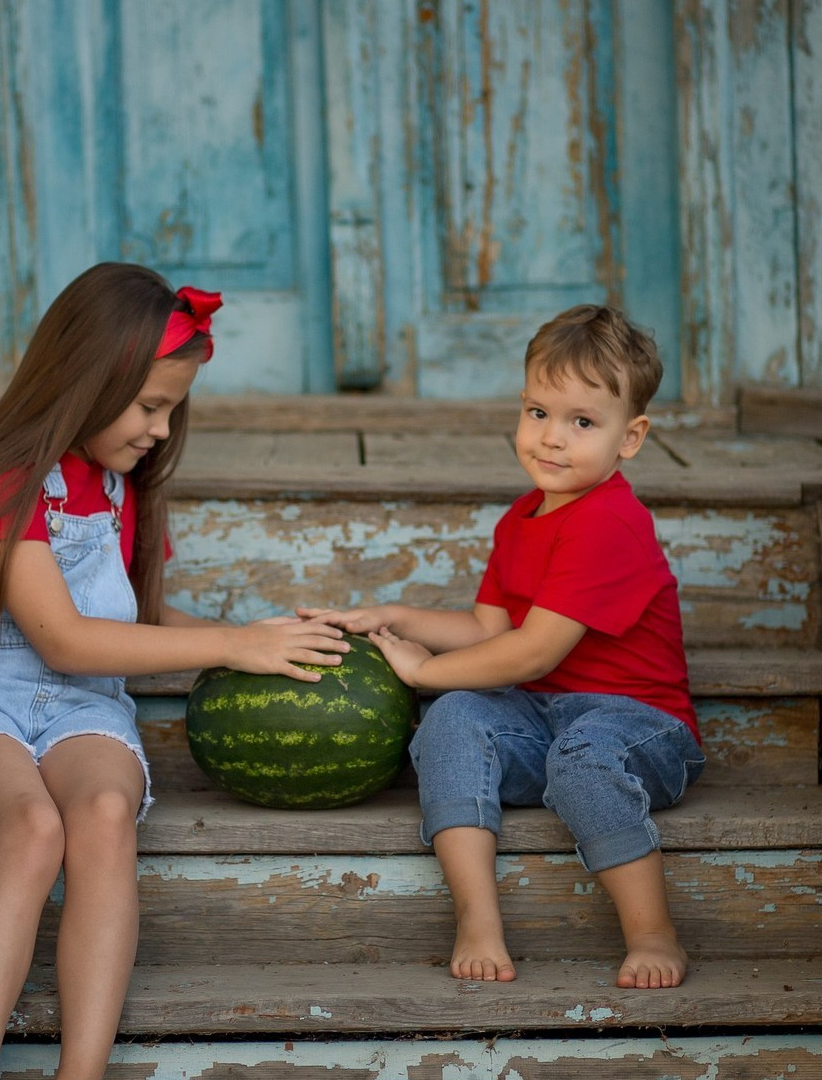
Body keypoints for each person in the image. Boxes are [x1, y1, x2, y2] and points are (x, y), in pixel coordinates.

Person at [0, 262, 347, 1080]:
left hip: (81, 703)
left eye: (173, 409)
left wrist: (259, 637)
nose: (160, 429)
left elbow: (129, 621)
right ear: (83, 380)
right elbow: (60, 635)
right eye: (146, 405)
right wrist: (228, 649)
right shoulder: (4, 477)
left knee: (101, 812)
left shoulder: (120, 488)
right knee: (30, 826)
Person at [301, 304, 703, 991]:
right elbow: (491, 632)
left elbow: (530, 654)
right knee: (455, 717)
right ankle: (478, 919)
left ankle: (652, 932)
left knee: (580, 759)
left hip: (638, 723)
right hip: (541, 720)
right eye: (539, 413)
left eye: (583, 422)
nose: (552, 438)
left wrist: (424, 669)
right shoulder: (521, 519)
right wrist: (396, 617)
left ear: (630, 438)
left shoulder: (608, 521)